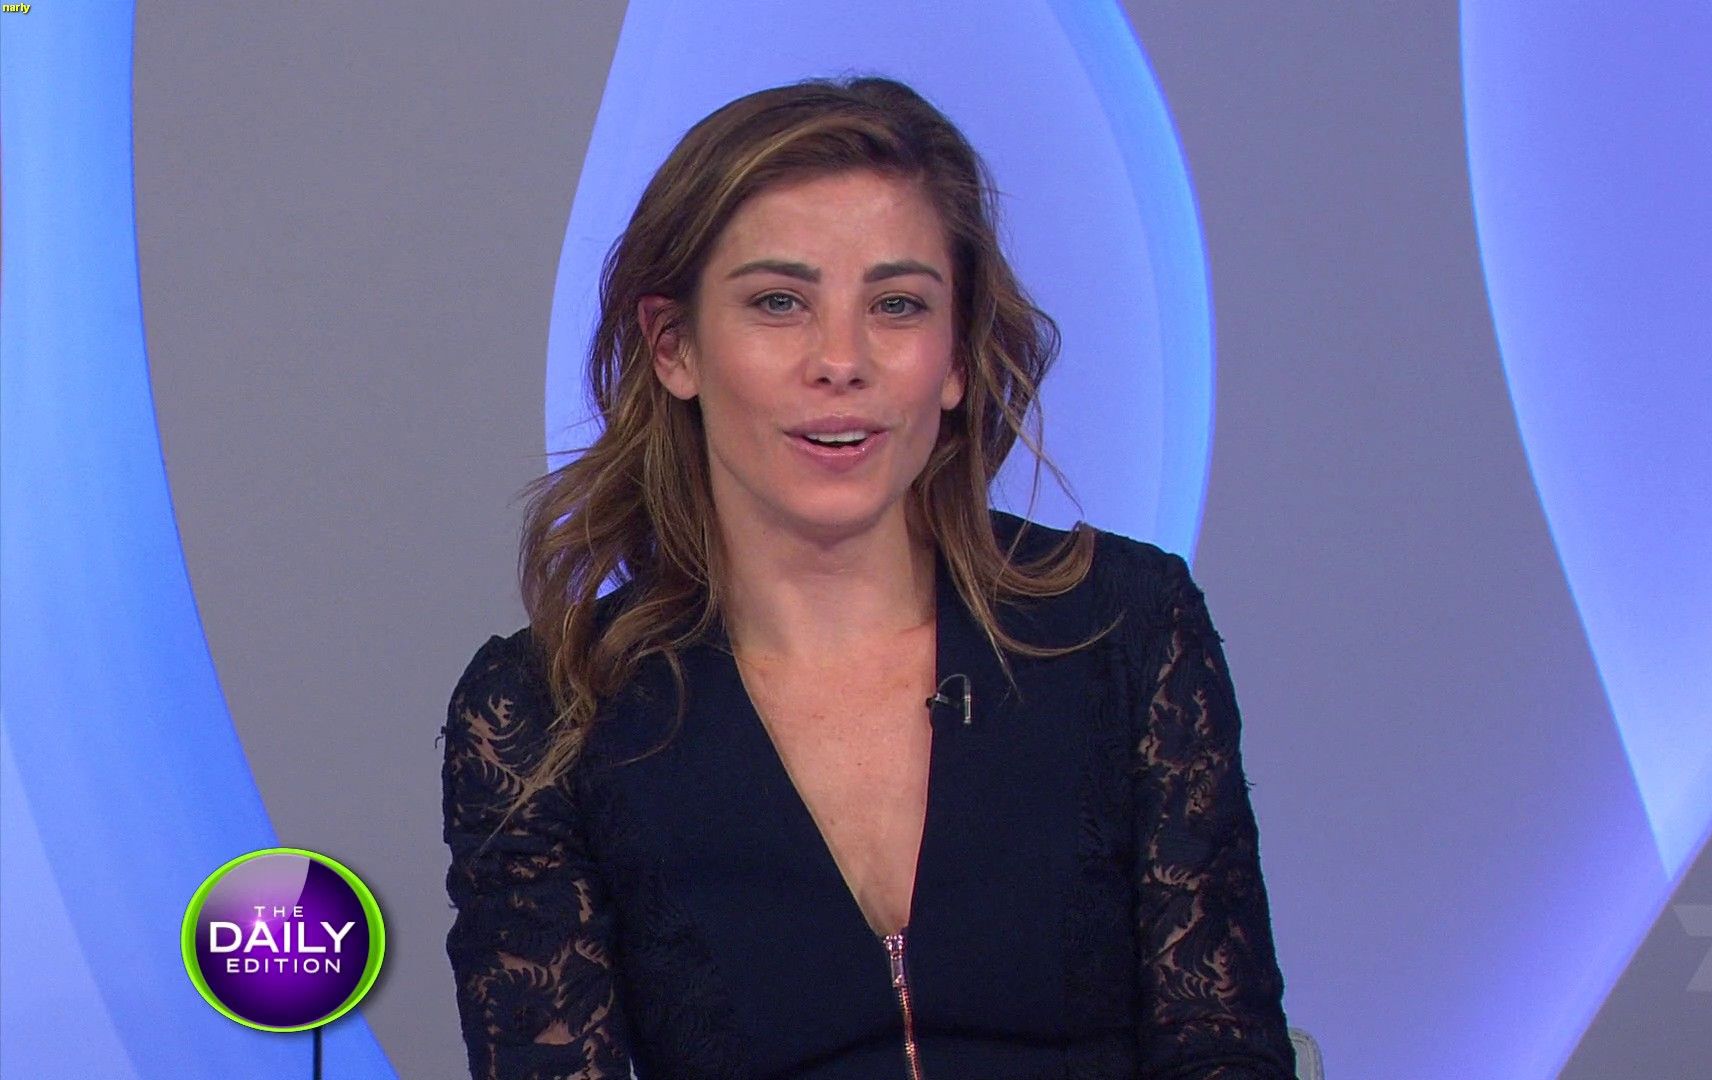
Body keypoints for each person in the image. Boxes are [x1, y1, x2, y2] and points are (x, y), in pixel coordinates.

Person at [439, 75, 1297, 1079]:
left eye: (896, 305)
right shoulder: (549, 708)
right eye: (779, 303)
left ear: (955, 357)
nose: (840, 360)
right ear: (675, 348)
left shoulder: (1126, 628)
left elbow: (1222, 1051)